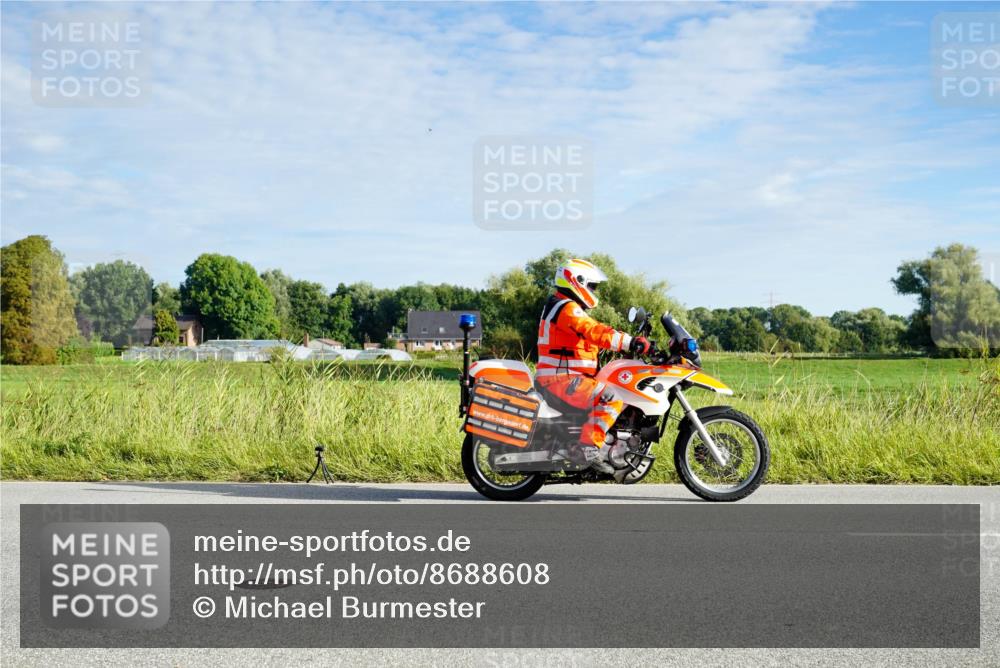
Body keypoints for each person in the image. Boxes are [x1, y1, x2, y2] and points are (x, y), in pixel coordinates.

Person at [535, 258, 651, 474]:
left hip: (565, 377)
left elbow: (588, 337)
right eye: (592, 286)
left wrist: (623, 347)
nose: (593, 290)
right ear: (577, 281)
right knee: (611, 397)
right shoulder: (567, 308)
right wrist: (629, 341)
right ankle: (586, 450)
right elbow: (593, 331)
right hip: (561, 379)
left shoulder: (563, 306)